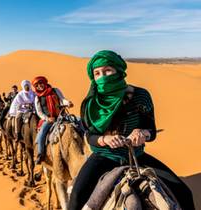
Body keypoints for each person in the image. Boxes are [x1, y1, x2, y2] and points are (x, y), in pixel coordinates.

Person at [68, 50, 195, 210]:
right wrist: (104, 139)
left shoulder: (140, 96)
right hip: (105, 156)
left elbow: (152, 131)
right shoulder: (91, 103)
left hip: (136, 155)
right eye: (97, 73)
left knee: (184, 193)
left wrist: (143, 133)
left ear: (118, 71)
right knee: (76, 198)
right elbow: (89, 135)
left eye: (108, 70)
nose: (103, 77)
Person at [32, 76, 73, 164]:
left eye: (41, 83)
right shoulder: (37, 98)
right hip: (49, 119)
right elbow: (39, 112)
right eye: (37, 85)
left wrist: (68, 103)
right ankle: (40, 154)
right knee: (42, 133)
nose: (40, 86)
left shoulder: (55, 90)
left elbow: (62, 100)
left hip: (61, 116)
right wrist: (47, 118)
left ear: (45, 83)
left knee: (78, 122)